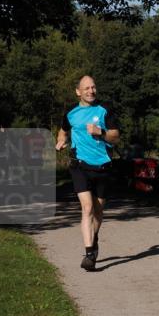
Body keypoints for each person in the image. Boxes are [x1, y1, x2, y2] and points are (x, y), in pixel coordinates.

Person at [55, 75, 120, 272]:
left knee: (98, 211)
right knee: (87, 207)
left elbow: (115, 136)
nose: (91, 91)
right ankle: (89, 253)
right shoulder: (71, 113)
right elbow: (63, 131)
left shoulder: (104, 111)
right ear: (78, 91)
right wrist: (61, 141)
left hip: (103, 166)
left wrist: (101, 132)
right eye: (87, 88)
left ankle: (94, 237)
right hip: (79, 165)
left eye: (93, 87)